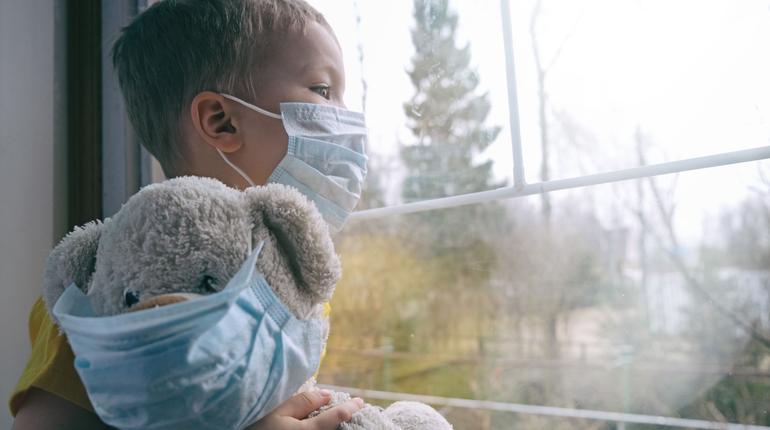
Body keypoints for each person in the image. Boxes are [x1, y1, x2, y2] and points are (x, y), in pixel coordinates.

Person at [10, 0, 366, 428]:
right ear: (222, 122)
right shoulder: (101, 297)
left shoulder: (286, 282)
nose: (346, 116)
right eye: (323, 91)